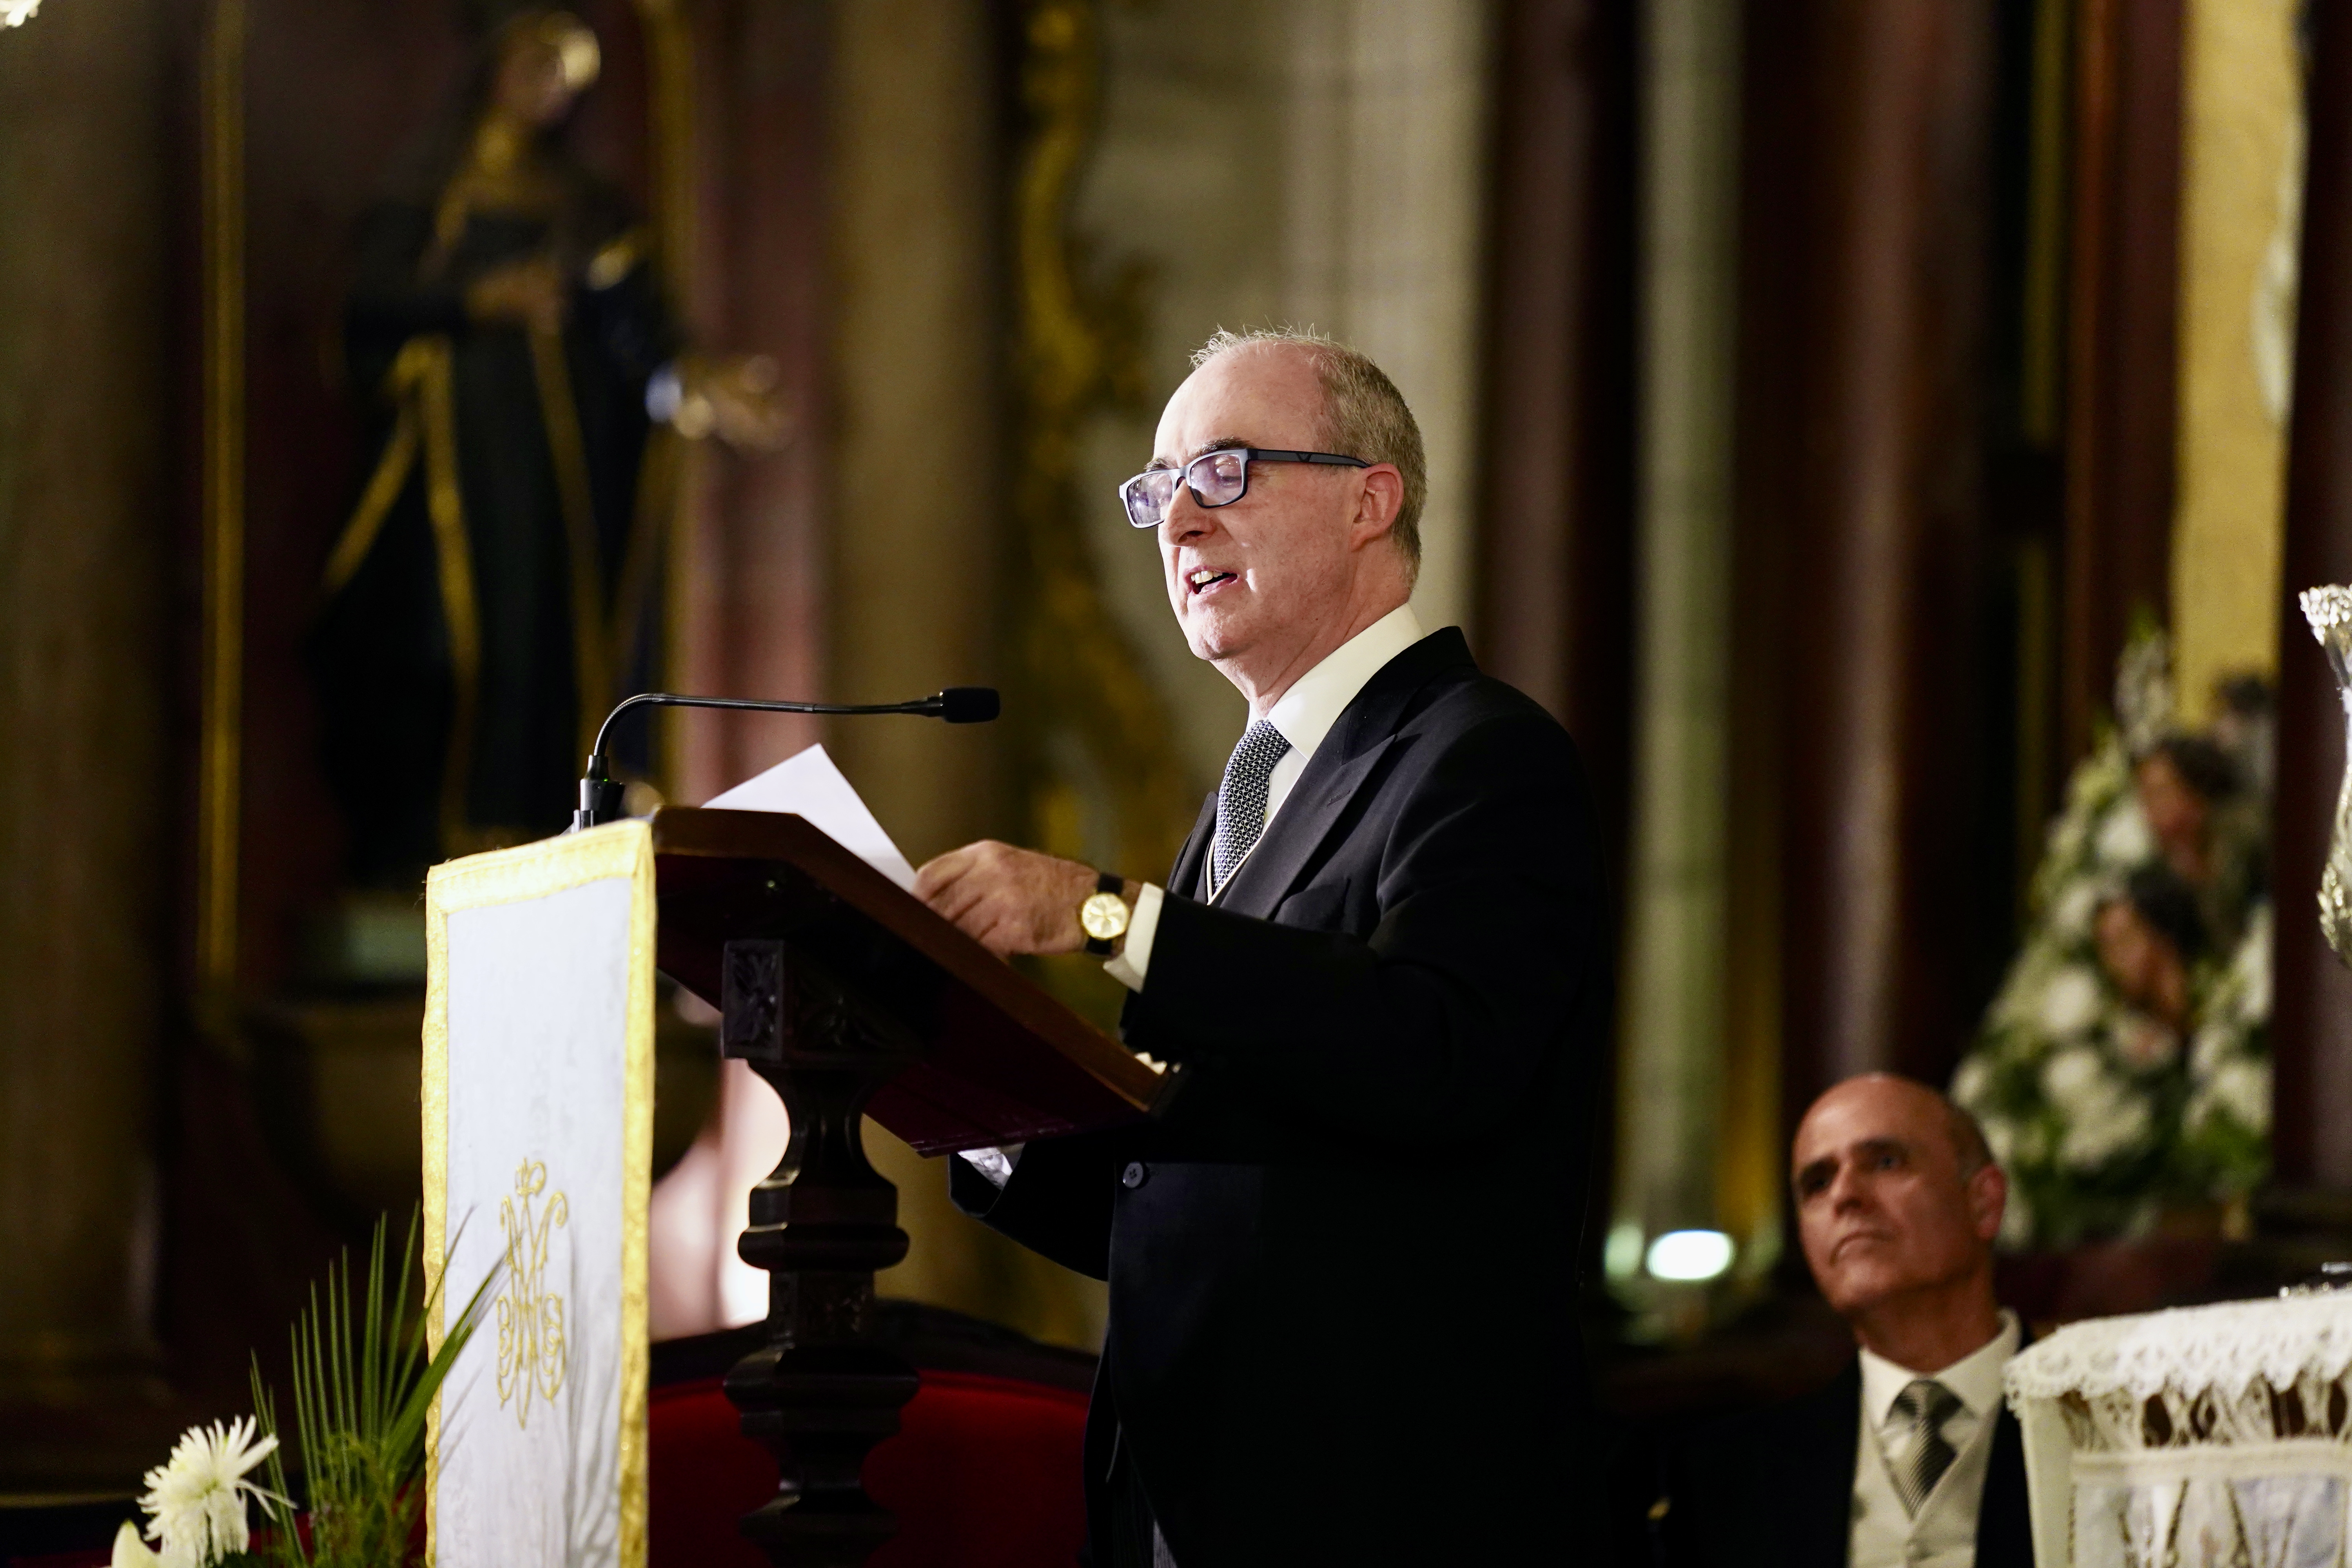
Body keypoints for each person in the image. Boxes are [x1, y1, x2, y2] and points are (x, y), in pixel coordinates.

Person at [913, 328, 1610, 1564]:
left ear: (1367, 499)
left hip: (1388, 1492)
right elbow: (1188, 1175)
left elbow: (1432, 1052)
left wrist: (1103, 915)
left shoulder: (1478, 754)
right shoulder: (1254, 788)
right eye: (1157, 488)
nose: (1176, 523)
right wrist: (953, 1077)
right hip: (1188, 1490)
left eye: (1222, 472)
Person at [312, 5, 780, 887]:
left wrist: (696, 380)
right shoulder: (429, 191)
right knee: (439, 647)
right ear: (493, 65)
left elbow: (642, 338)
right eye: (536, 65)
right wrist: (476, 303)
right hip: (448, 474)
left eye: (569, 76)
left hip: (559, 484)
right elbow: (365, 307)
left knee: (548, 648)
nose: (549, 90)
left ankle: (530, 828)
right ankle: (423, 839)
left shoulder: (587, 211)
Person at [1657, 1075, 2031, 1568]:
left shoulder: (2108, 1425)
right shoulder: (1726, 1477)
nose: (1845, 1195)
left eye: (1885, 1162)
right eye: (1817, 1182)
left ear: (1983, 1201)